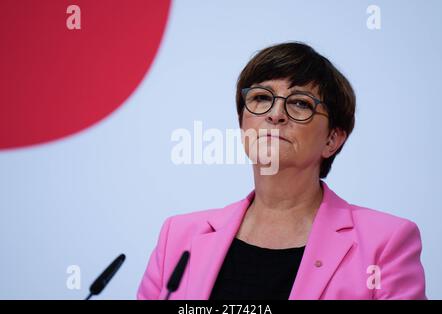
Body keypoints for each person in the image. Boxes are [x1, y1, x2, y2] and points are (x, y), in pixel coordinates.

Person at [137, 42, 426, 300]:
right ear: (242, 124)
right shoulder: (179, 236)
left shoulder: (385, 243)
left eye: (300, 103)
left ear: (332, 139)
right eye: (261, 98)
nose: (276, 114)